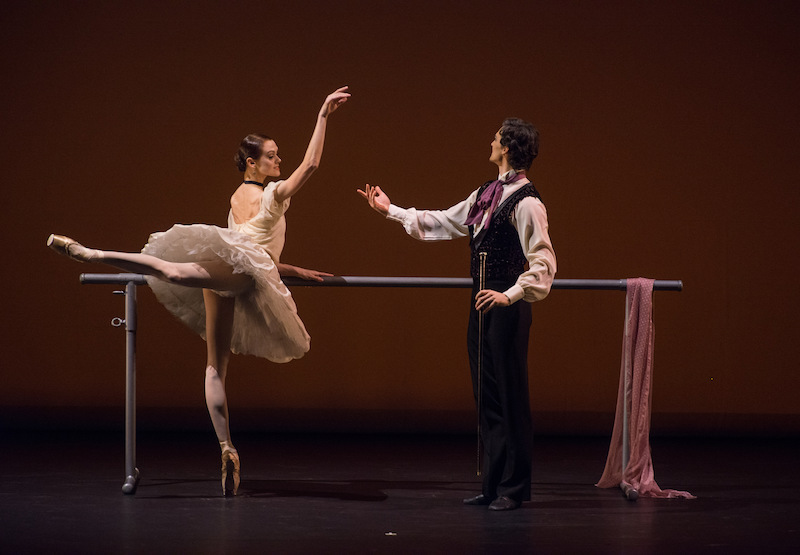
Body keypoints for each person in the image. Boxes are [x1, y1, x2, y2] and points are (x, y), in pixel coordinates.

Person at [48, 86, 351, 496]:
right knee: (178, 283)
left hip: (229, 272)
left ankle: (227, 446)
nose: (279, 160)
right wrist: (323, 115)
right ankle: (94, 253)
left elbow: (251, 248)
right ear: (253, 162)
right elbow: (311, 165)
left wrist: (293, 268)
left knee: (212, 364)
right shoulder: (272, 196)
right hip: (240, 274)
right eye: (273, 155)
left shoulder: (236, 198)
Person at [358, 118, 556, 511]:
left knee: (511, 396)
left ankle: (515, 489)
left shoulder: (528, 202)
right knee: (486, 398)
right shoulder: (485, 194)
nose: (491, 140)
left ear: (509, 148)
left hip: (507, 308)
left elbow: (544, 262)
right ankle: (493, 483)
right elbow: (444, 221)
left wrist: (510, 294)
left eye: (496, 137)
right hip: (480, 306)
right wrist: (390, 210)